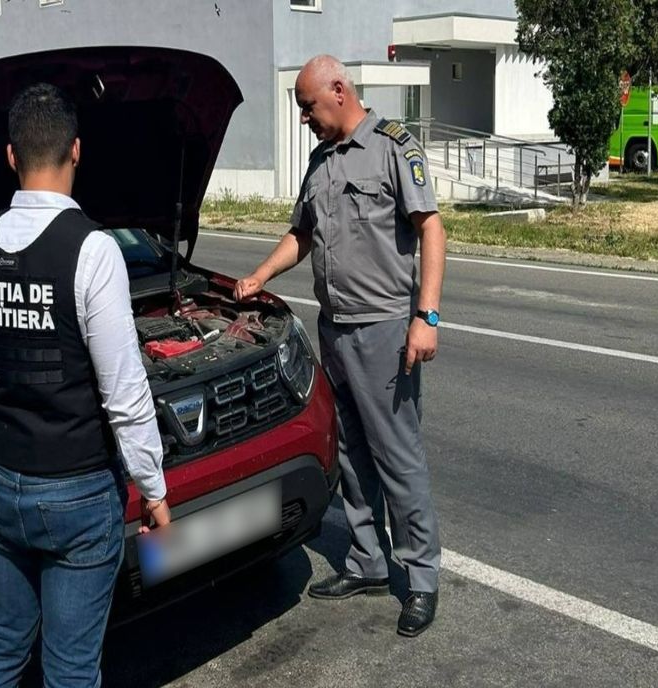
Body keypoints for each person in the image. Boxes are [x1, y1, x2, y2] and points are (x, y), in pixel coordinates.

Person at [0, 83, 171, 687]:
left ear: (11, 158)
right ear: (76, 150)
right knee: (70, 668)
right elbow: (124, 394)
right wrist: (153, 489)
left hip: (4, 484)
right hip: (79, 491)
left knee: (1, 645)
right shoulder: (93, 251)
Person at [235, 55, 445, 637]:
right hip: (336, 328)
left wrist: (426, 316)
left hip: (384, 328)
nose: (304, 117)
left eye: (308, 106)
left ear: (338, 89)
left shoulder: (393, 147)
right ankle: (368, 561)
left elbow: (431, 226)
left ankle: (421, 578)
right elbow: (301, 234)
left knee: (397, 455)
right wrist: (259, 277)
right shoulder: (321, 160)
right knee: (350, 452)